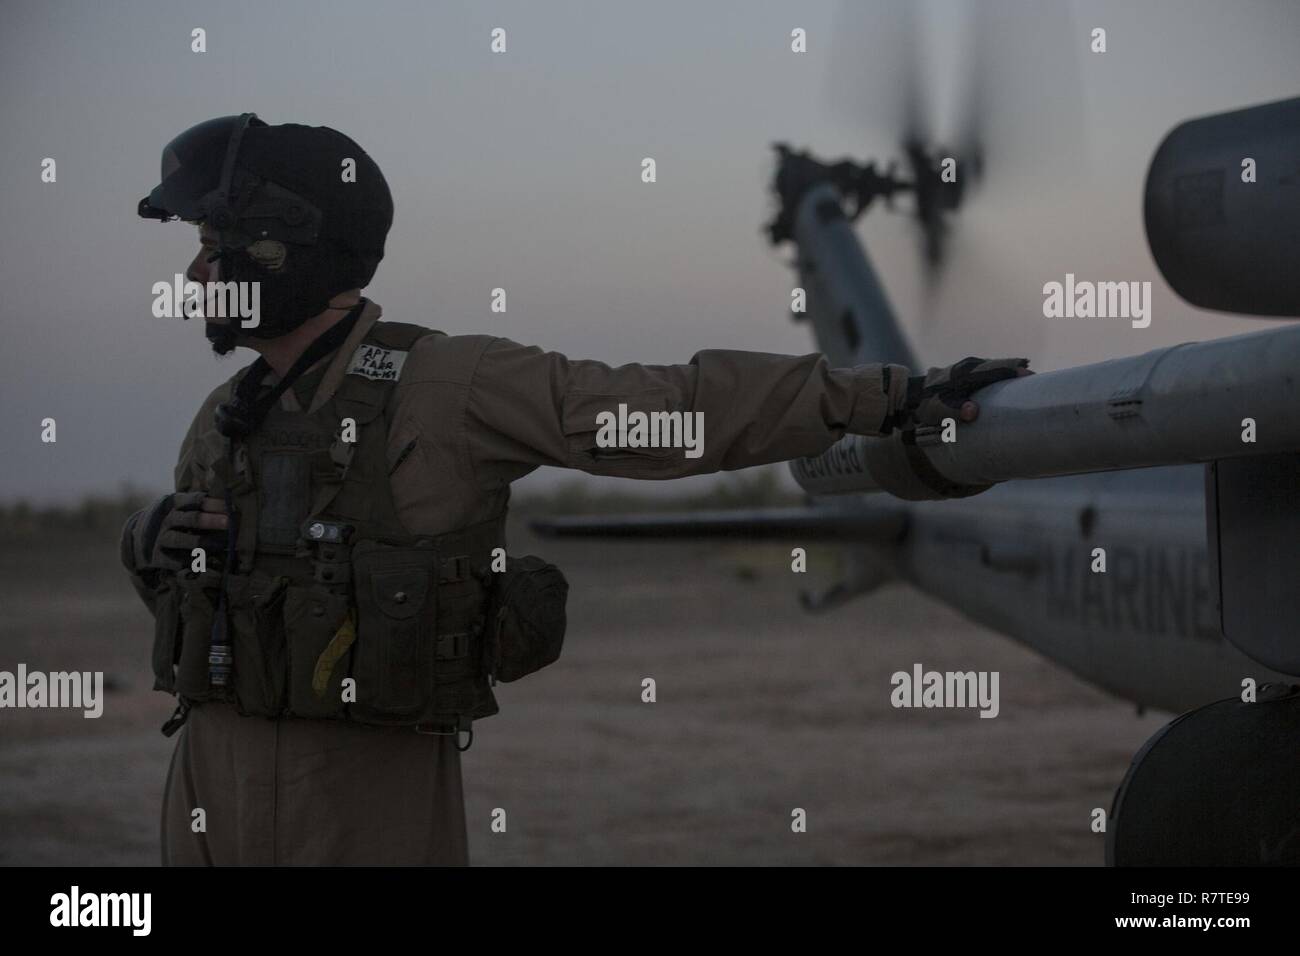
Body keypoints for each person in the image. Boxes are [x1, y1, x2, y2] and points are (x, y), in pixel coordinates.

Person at [120, 113, 1028, 865]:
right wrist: (150, 545)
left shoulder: (449, 384)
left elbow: (670, 407)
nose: (197, 273)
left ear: (285, 245)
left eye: (214, 246)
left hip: (364, 802)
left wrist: (887, 395)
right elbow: (202, 597)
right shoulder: (222, 416)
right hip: (207, 788)